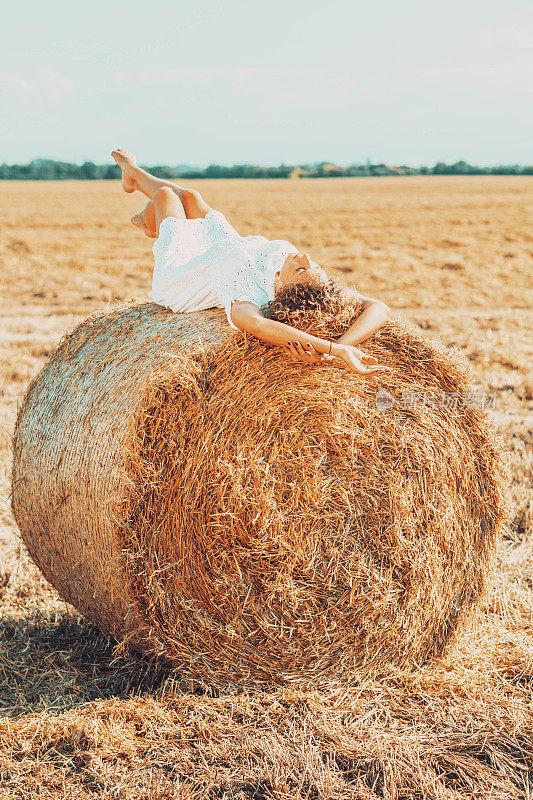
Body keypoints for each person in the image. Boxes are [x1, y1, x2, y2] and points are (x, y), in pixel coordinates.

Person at [111, 149, 391, 374]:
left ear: (283, 287)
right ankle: (134, 179)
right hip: (228, 247)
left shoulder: (249, 292)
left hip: (185, 272)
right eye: (313, 265)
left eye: (302, 268)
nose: (305, 257)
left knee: (165, 197)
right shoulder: (316, 284)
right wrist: (343, 345)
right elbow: (380, 307)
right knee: (191, 198)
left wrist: (330, 351)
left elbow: (256, 325)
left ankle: (147, 218)